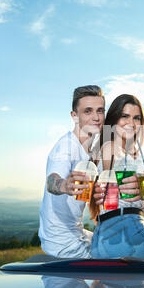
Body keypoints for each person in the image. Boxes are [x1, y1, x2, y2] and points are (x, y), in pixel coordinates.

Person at [90, 94, 144, 259]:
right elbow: (113, 173)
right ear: (114, 120)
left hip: (110, 236)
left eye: (136, 118)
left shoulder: (136, 156)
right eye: (124, 116)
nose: (131, 123)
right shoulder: (111, 147)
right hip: (125, 233)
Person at [38, 85, 105, 258]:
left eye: (100, 111)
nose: (96, 117)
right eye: (88, 111)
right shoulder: (65, 147)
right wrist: (64, 185)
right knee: (117, 259)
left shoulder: (91, 150)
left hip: (77, 232)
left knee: (113, 242)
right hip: (62, 242)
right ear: (74, 116)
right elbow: (52, 181)